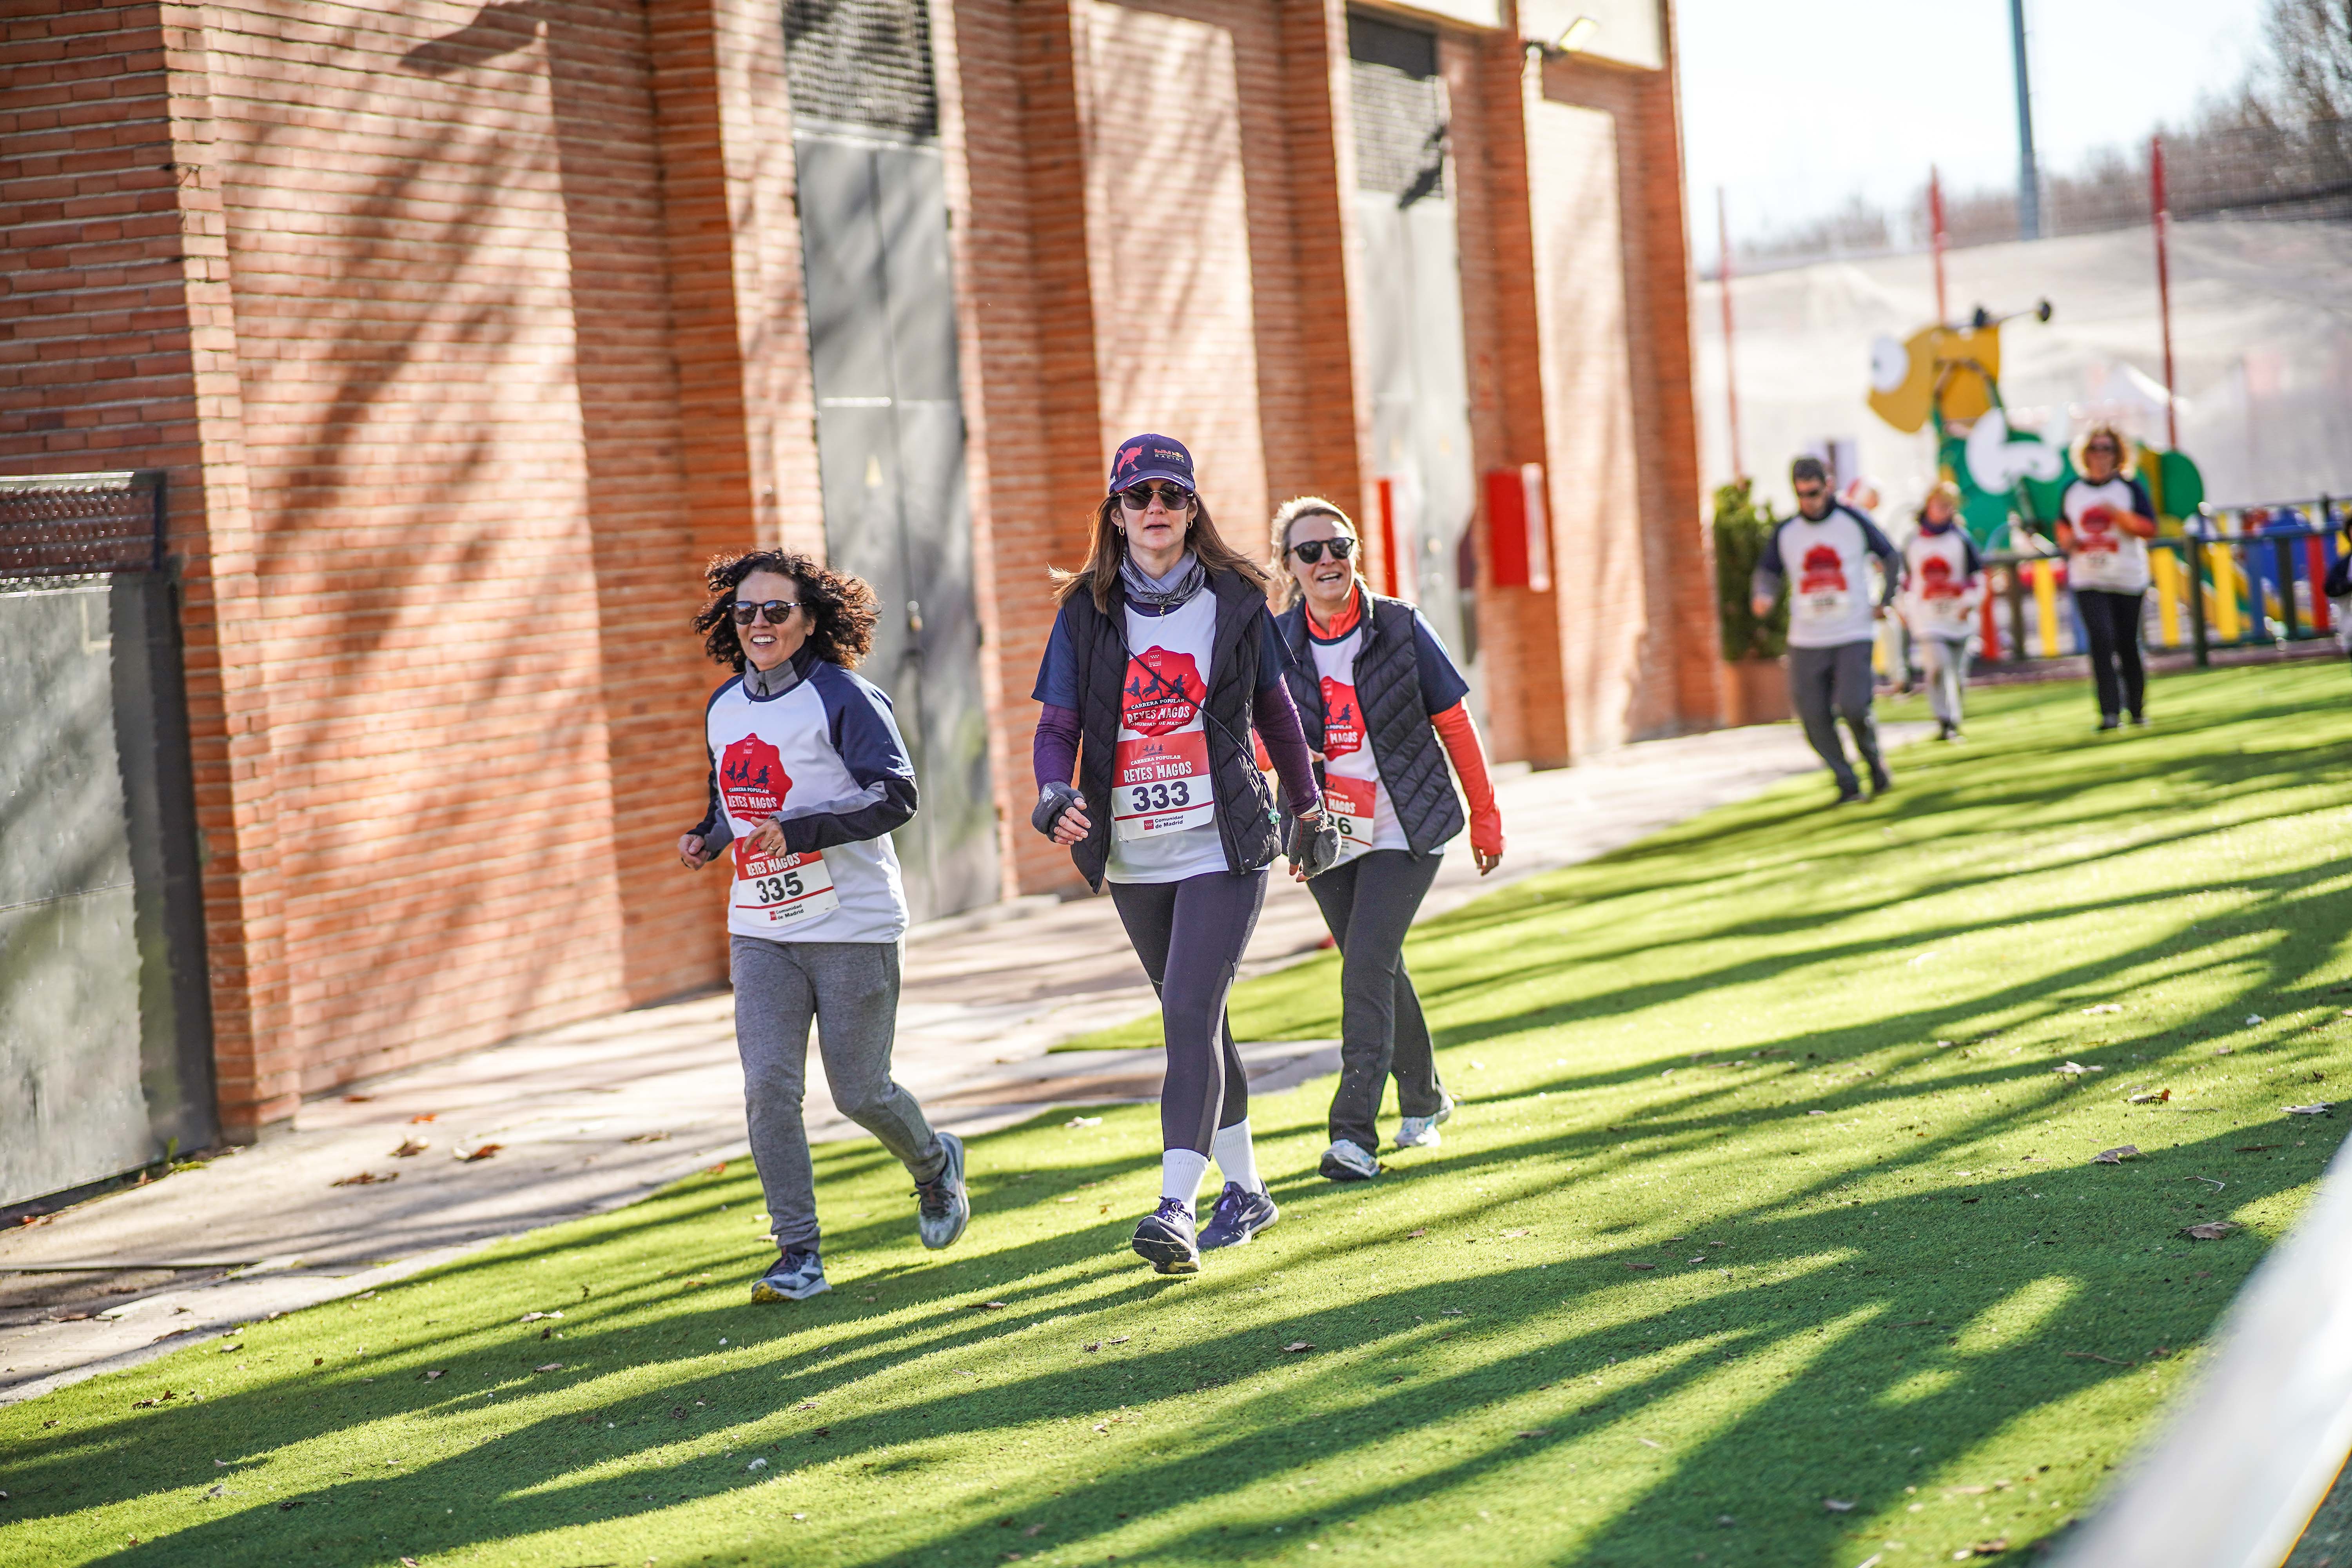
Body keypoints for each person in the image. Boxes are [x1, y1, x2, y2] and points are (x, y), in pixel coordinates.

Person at [1029, 435, 1338, 1275]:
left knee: (1188, 1012)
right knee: (1203, 1017)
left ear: (1192, 508)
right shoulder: (1085, 611)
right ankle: (1247, 1189)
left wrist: (1308, 806)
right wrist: (1055, 793)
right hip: (1132, 849)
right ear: (1117, 511)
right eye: (1139, 497)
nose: (1155, 509)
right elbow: (1057, 728)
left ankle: (1176, 1203)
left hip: (1224, 838)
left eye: (1171, 494)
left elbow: (1278, 716)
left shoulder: (1238, 599)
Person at [677, 550, 969, 1303]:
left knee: (860, 1092)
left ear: (811, 619)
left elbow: (896, 797)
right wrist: (706, 839)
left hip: (852, 924)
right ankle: (797, 1254)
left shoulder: (845, 697)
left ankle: (935, 1166)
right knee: (768, 1088)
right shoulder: (723, 707)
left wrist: (800, 830)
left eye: (777, 610)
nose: (760, 624)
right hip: (762, 926)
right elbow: (730, 800)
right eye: (745, 611)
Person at [1269, 498, 1504, 1182]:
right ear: (1289, 567)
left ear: (1355, 553)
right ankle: (1427, 1100)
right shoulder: (1277, 641)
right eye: (1309, 551)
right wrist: (1281, 761)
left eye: (1337, 546)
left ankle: (1352, 1136)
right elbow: (1248, 727)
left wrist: (1486, 816)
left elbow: (1455, 722)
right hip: (1328, 834)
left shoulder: (1400, 627)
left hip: (1408, 824)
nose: (1326, 562)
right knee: (1378, 963)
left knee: (1366, 964)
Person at [1751, 456, 1902, 803]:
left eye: (1815, 493)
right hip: (1806, 637)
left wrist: (1886, 599)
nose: (1809, 501)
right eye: (1801, 494)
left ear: (1828, 486)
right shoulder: (1786, 532)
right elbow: (1768, 571)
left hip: (1852, 631)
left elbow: (1891, 556)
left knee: (1853, 706)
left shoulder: (1853, 521)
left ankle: (1874, 762)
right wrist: (1763, 595)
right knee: (1813, 716)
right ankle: (1847, 781)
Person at [2056, 424, 2159, 730]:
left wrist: (2119, 516)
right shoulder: (2073, 490)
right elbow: (2063, 524)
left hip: (2127, 576)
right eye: (2094, 448)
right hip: (2088, 577)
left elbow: (2149, 529)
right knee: (2101, 641)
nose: (2100, 455)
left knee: (2127, 643)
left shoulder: (2129, 489)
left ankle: (2137, 708)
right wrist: (2067, 540)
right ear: (2084, 455)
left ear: (2118, 454)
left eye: (2107, 448)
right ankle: (2109, 713)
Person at [1899, 480, 1984, 742]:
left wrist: (1969, 602)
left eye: (1948, 506)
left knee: (1957, 674)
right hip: (1928, 617)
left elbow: (1976, 577)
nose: (1943, 511)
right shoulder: (1913, 542)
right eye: (1939, 505)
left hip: (1958, 616)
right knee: (1937, 665)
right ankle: (1944, 718)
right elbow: (1906, 581)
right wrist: (1904, 607)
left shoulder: (1961, 539)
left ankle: (1954, 718)